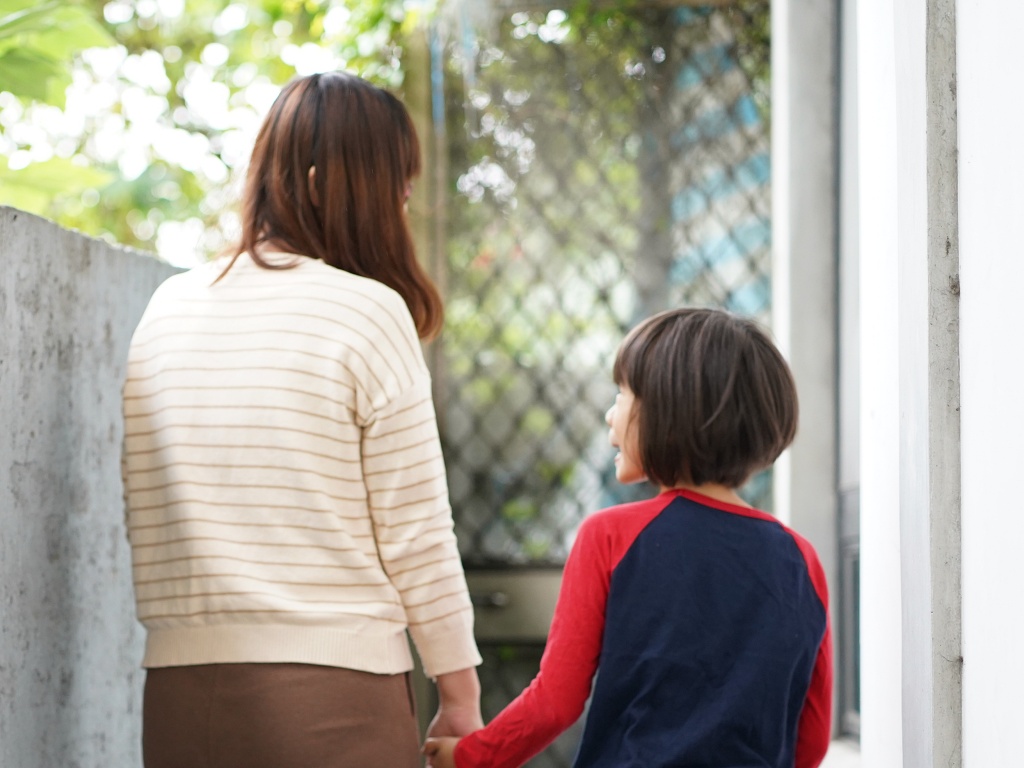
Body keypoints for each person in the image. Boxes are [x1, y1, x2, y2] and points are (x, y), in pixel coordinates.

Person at [122, 71, 483, 768]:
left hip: (176, 695)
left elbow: (147, 506)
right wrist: (461, 695)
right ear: (340, 183)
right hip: (333, 697)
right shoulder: (367, 311)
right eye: (397, 182)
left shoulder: (165, 309)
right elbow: (416, 532)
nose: (406, 200)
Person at [424, 308, 832, 768]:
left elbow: (555, 702)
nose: (609, 416)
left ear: (669, 411)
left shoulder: (611, 536)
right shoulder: (802, 559)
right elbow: (810, 742)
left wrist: (470, 755)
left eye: (622, 394)